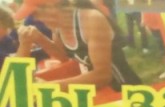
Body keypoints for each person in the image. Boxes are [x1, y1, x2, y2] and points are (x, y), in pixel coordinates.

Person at [13, 0, 141, 92]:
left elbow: (103, 75)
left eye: (35, 14)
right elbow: (63, 56)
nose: (35, 19)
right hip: (98, 89)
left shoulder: (92, 19)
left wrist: (47, 87)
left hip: (122, 89)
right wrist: (39, 38)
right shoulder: (57, 26)